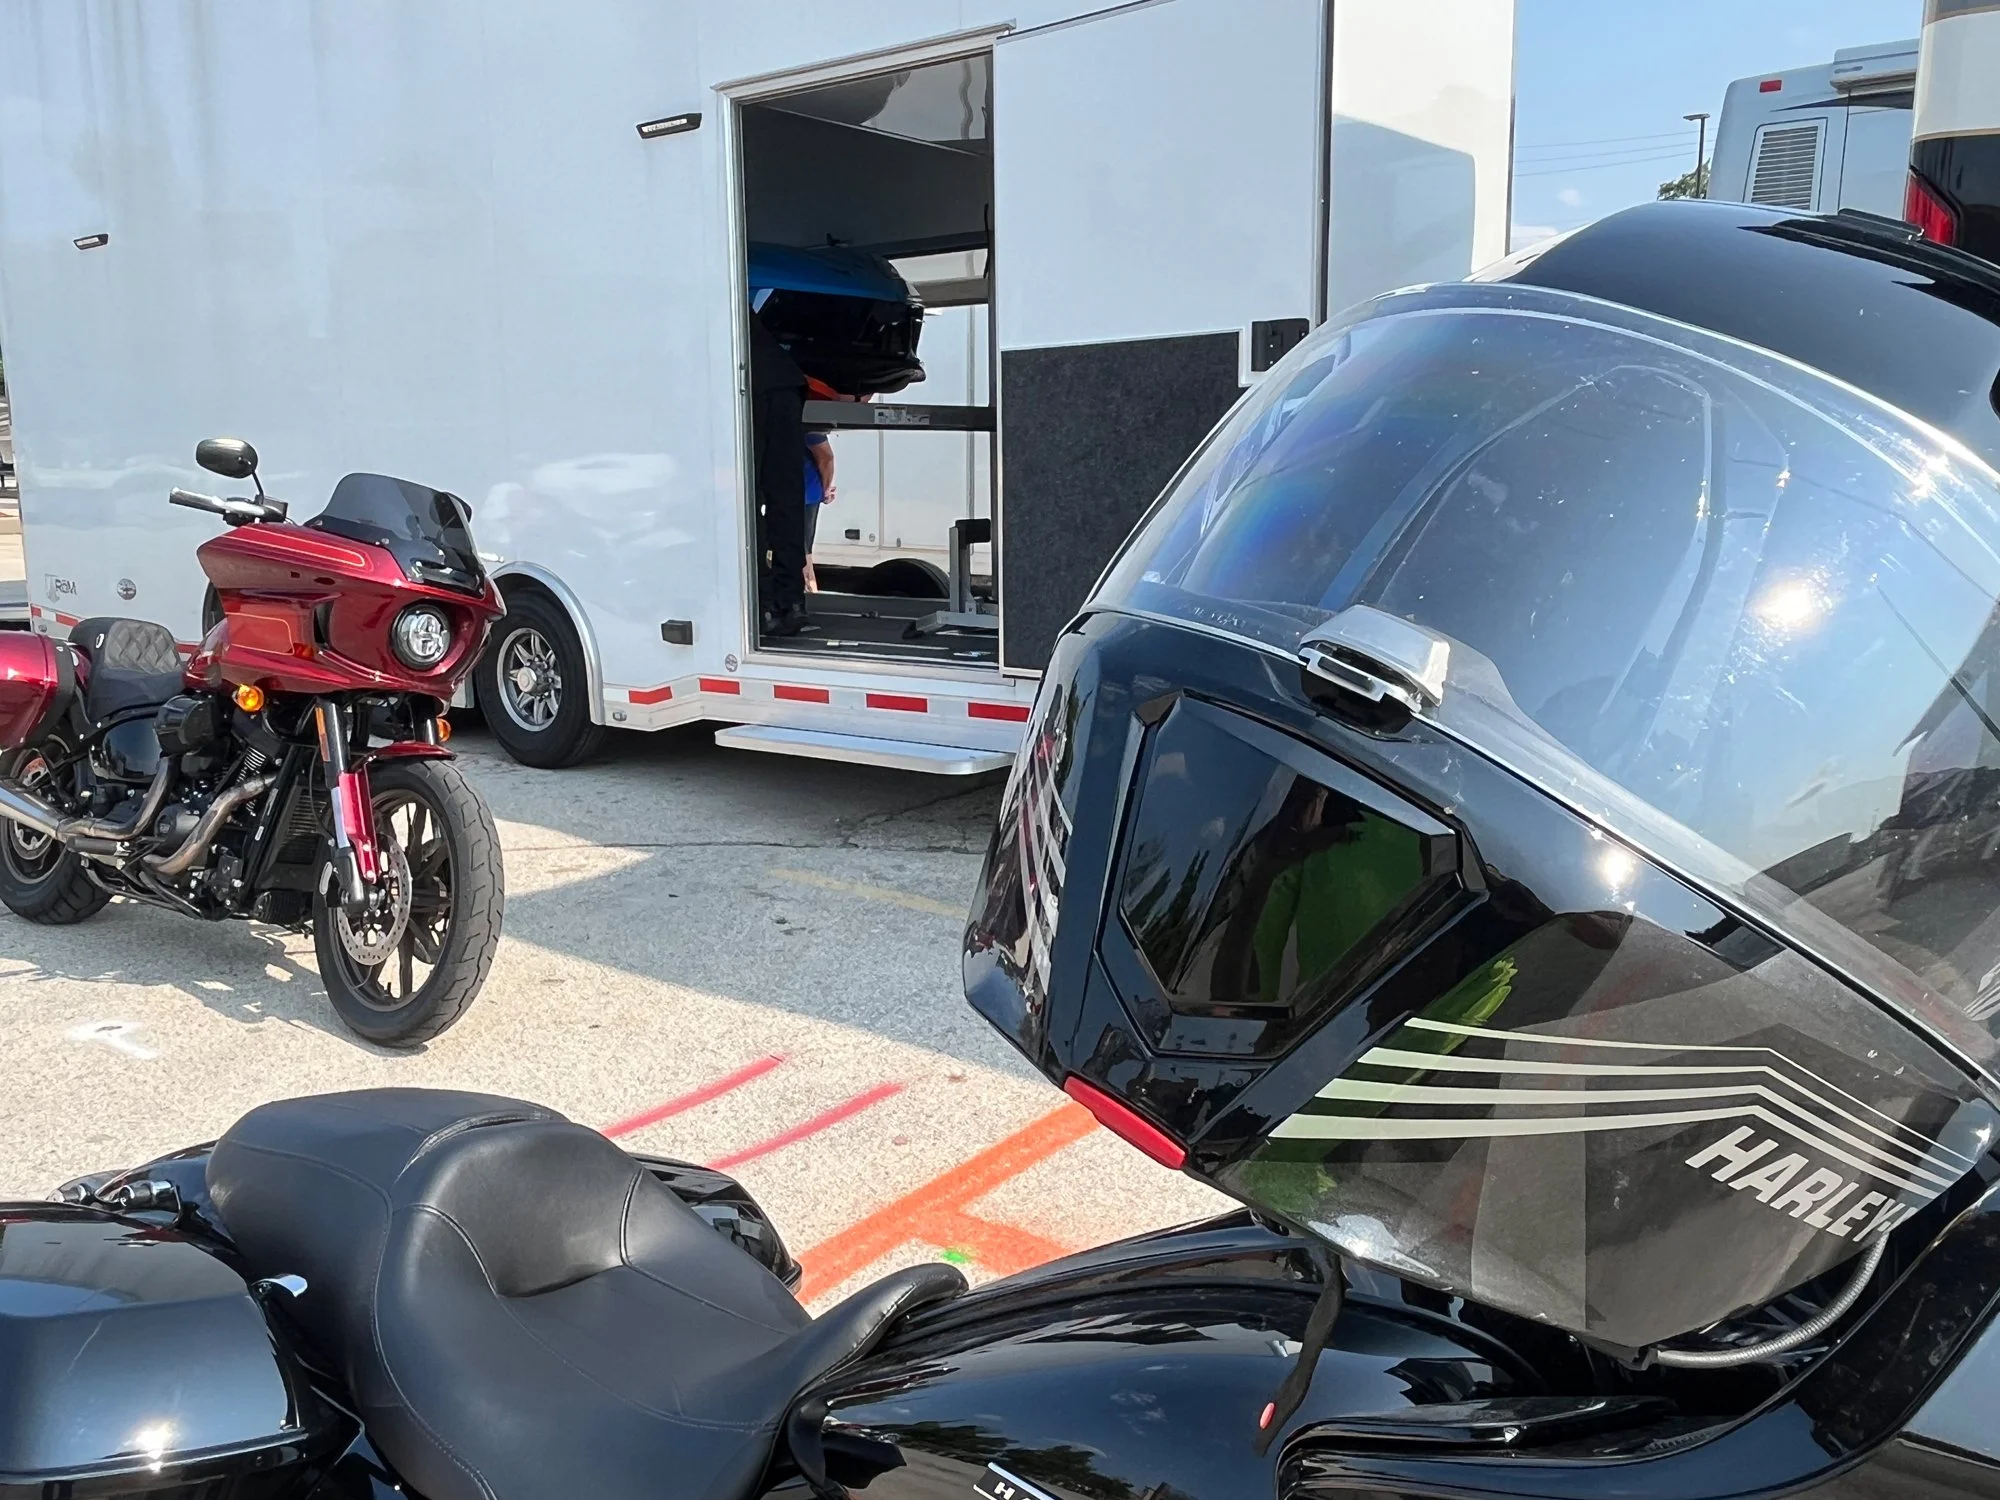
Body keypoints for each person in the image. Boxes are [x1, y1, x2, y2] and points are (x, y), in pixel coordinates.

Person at [749, 309, 809, 637]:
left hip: (750, 388)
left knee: (747, 500)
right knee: (786, 498)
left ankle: (765, 604)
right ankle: (793, 602)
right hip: (785, 385)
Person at [802, 432, 832, 594]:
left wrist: (825, 490)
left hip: (803, 494)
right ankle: (810, 592)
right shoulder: (811, 426)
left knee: (802, 551)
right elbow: (826, 458)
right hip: (807, 494)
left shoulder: (810, 428)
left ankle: (809, 592)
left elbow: (827, 458)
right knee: (805, 552)